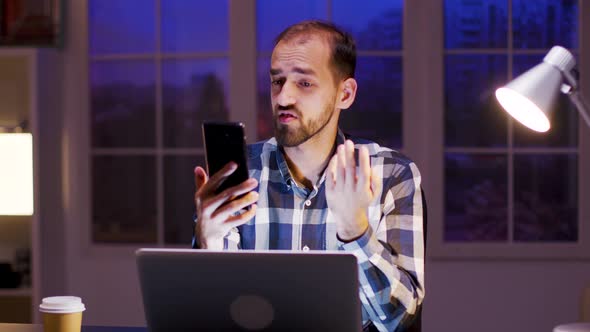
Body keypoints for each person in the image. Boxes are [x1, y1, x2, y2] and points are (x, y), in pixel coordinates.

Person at [192, 20, 424, 332]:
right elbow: (208, 313)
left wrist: (355, 230)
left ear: (345, 93)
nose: (283, 98)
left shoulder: (392, 174)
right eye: (277, 82)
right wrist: (208, 243)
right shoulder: (242, 172)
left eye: (304, 83)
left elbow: (399, 321)